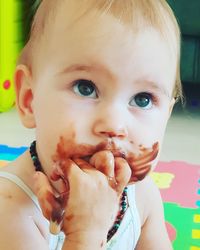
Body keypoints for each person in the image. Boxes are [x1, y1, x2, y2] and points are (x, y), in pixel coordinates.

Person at [0, 0, 182, 249]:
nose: (114, 125)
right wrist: (84, 233)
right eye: (85, 88)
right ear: (29, 100)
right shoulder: (11, 207)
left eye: (143, 99)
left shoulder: (142, 197)